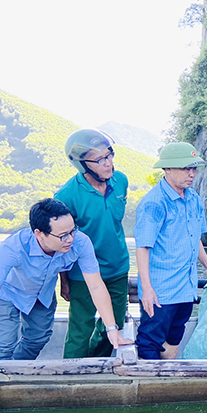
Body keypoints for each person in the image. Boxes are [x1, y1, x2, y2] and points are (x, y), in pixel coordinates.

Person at [0, 199, 131, 372]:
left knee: (37, 340)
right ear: (39, 234)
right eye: (63, 235)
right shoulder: (13, 248)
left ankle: (15, 371)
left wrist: (111, 329)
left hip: (43, 295)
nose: (71, 239)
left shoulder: (80, 243)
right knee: (3, 345)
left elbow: (96, 286)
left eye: (73, 231)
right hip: (8, 294)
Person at [134, 142, 207, 360]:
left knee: (174, 337)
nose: (191, 174)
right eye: (185, 169)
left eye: (194, 169)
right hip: (161, 289)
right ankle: (149, 390)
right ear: (167, 169)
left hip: (186, 286)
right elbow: (143, 247)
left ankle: (166, 385)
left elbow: (195, 239)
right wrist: (148, 288)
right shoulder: (154, 203)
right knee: (150, 340)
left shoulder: (193, 199)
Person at [55, 129, 129, 358]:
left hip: (117, 268)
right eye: (99, 159)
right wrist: (64, 280)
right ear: (82, 164)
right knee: (80, 328)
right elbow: (61, 244)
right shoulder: (66, 196)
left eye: (109, 155)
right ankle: (70, 376)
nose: (108, 163)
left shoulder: (121, 181)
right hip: (82, 273)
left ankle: (97, 365)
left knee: (114, 323)